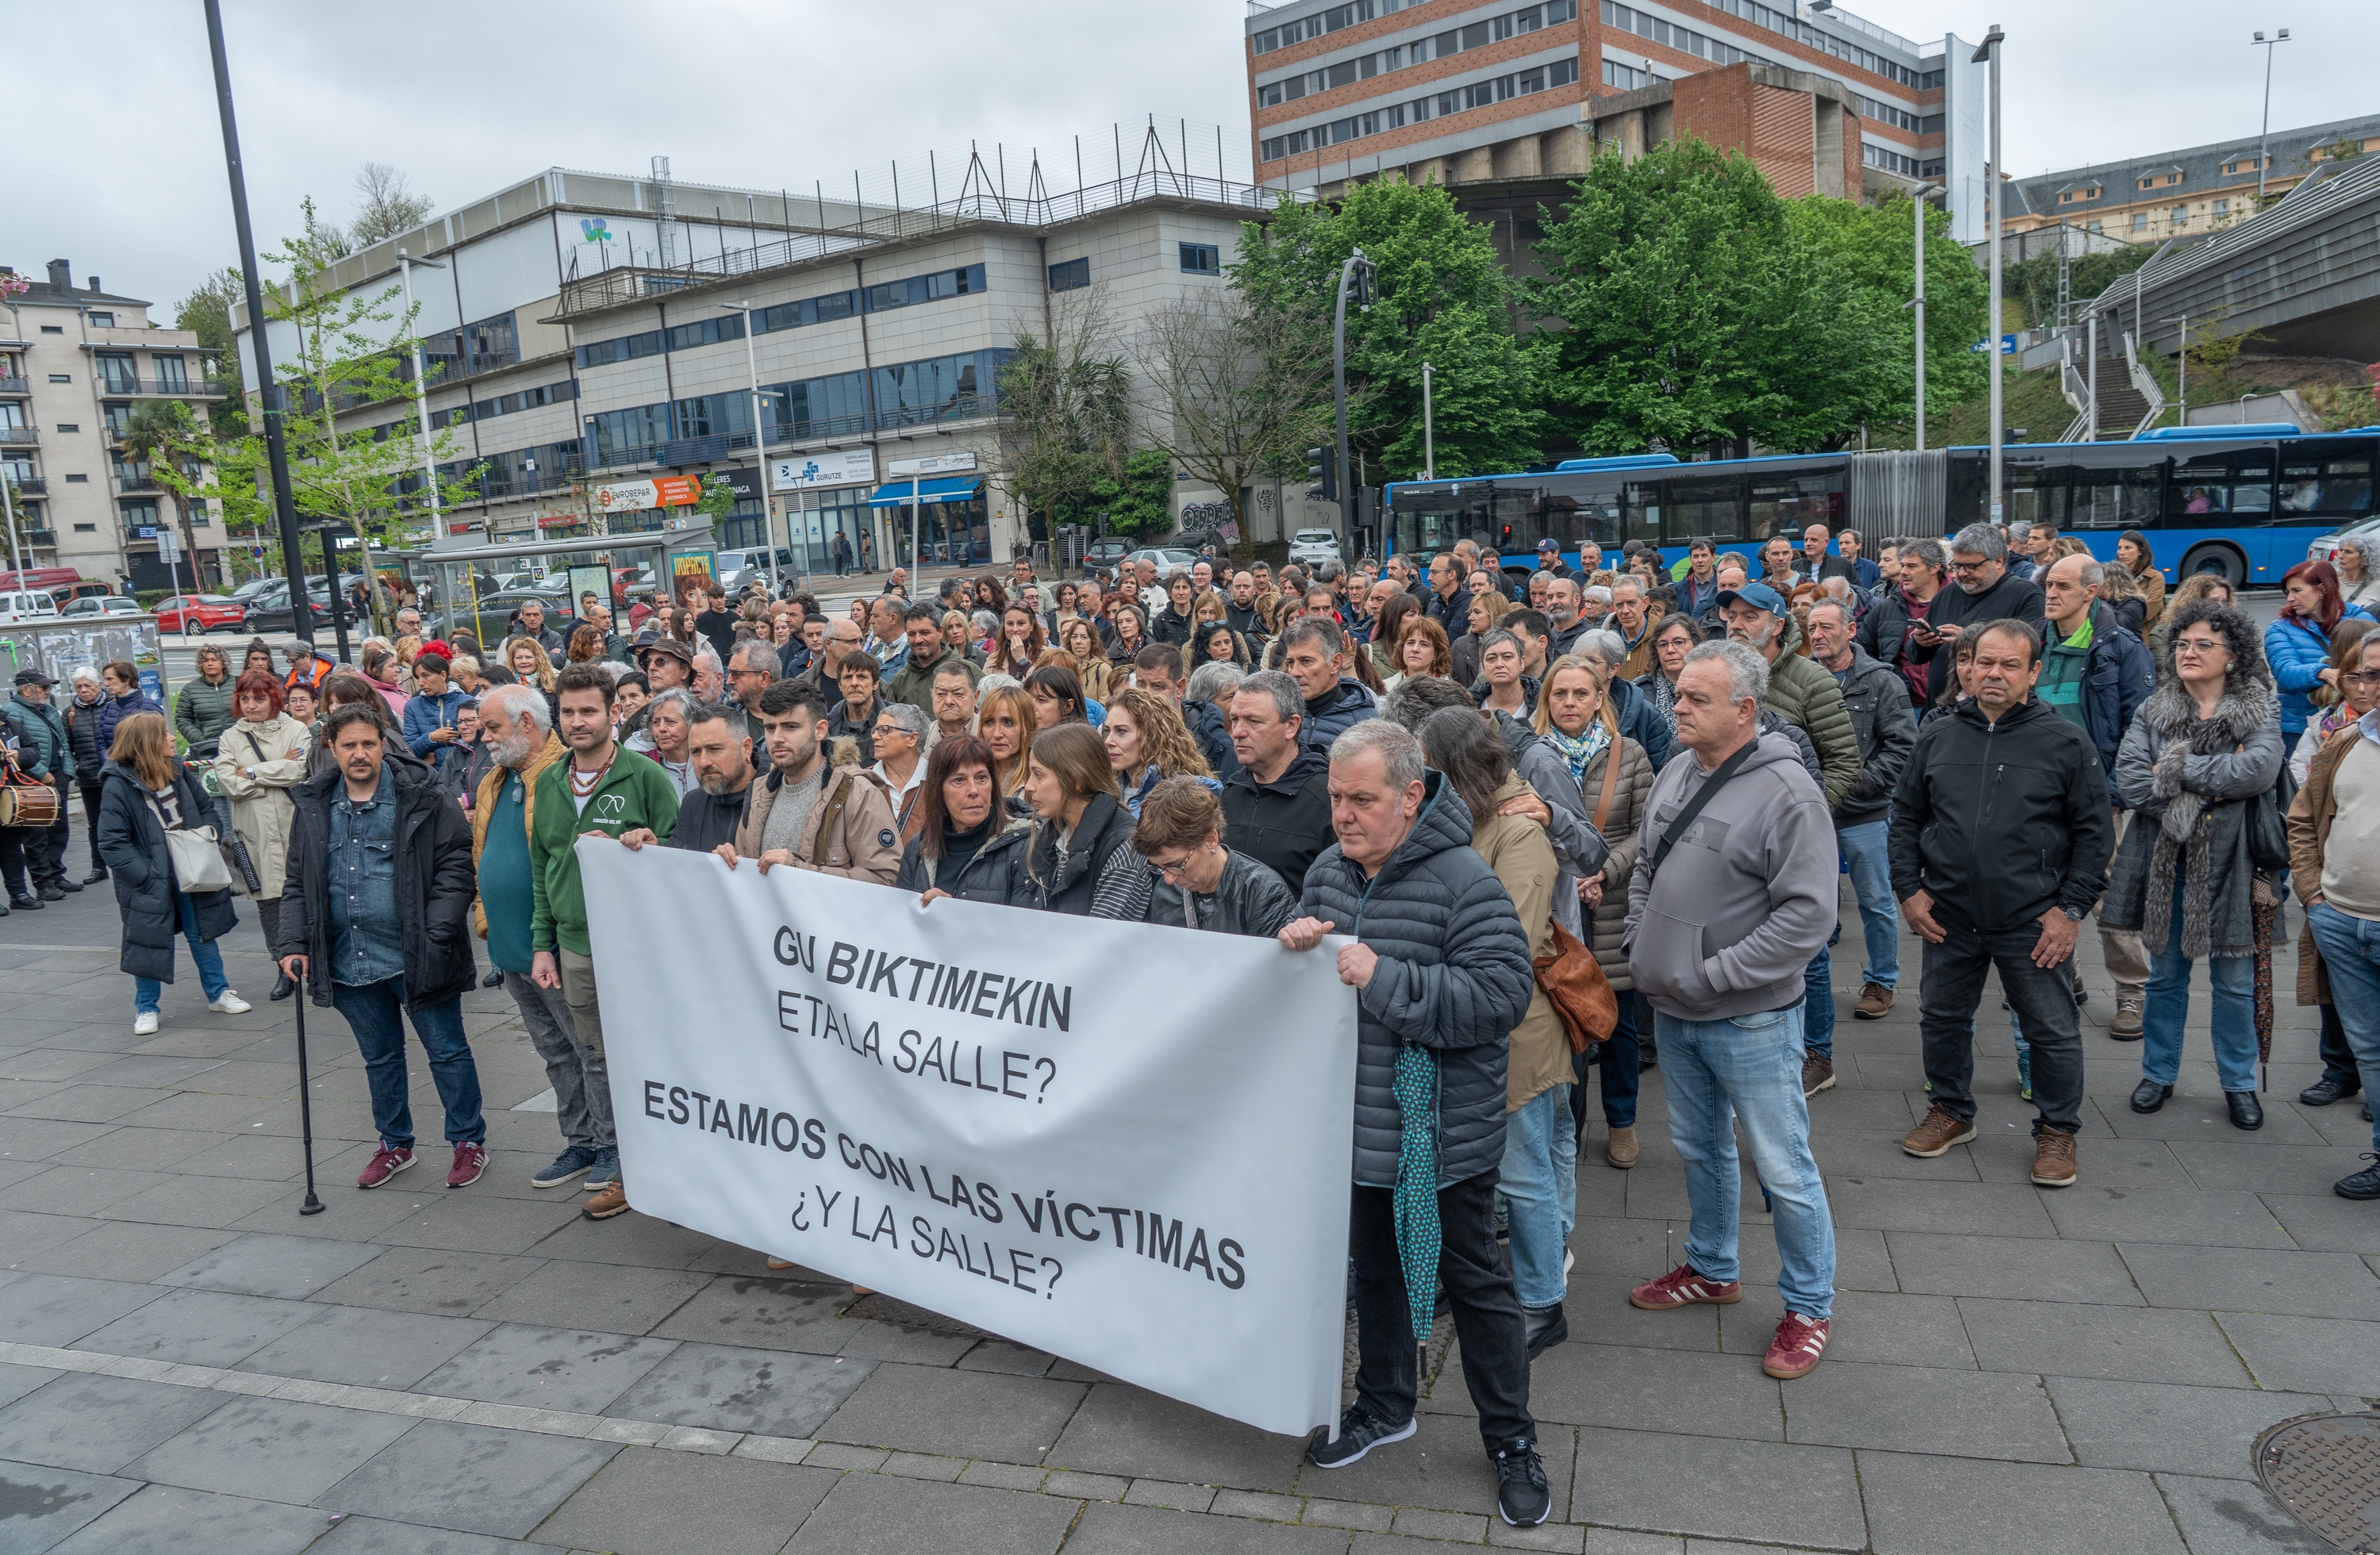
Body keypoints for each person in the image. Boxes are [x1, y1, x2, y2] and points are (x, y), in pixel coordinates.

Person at [1274, 720, 1548, 1526]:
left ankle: (1512, 1440)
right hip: (1353, 1131)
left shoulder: (1465, 879)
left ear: (1412, 797)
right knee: (1377, 1275)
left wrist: (1386, 976)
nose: (1344, 815)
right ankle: (1386, 1404)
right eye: (1336, 798)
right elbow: (1307, 985)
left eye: (1363, 799)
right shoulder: (1328, 872)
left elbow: (1502, 999)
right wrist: (1292, 943)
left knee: (1475, 1285)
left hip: (1438, 1137)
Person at [1623, 641, 1838, 1381]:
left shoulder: (1790, 794)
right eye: (1677, 694)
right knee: (1699, 1147)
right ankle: (1713, 1268)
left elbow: (1809, 916)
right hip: (1673, 1009)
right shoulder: (1679, 768)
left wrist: (1715, 974)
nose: (1675, 707)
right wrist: (1642, 941)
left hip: (1746, 1017)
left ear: (1745, 711)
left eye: (1695, 699)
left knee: (1783, 1165)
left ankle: (1809, 1306)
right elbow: (1648, 864)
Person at [1891, 620, 2111, 1180]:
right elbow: (1908, 817)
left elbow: (2094, 835)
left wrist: (2071, 911)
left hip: (2032, 920)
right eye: (1983, 662)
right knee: (1941, 1019)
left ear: (2033, 672)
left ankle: (2058, 1131)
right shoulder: (1938, 735)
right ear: (1966, 666)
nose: (1993, 673)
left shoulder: (2064, 741)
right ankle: (1951, 1111)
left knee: (2052, 1029)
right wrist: (1910, 892)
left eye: (2009, 665)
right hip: (1949, 915)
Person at [1417, 707, 1575, 1359]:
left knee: (1525, 1168)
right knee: (1541, 1154)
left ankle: (1542, 1301)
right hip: (1494, 1026)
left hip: (1518, 1033)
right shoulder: (1480, 818)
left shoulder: (1518, 833)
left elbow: (1510, 937)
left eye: (1429, 769)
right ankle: (1530, 1269)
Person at [274, 704, 486, 1188]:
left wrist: (435, 935)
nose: (360, 753)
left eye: (369, 743)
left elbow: (457, 863)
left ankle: (468, 1142)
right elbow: (296, 882)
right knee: (381, 1058)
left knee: (447, 1051)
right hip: (349, 959)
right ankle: (395, 1144)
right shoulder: (313, 804)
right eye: (349, 745)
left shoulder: (421, 794)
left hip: (416, 956)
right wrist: (292, 943)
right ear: (331, 748)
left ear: (383, 743)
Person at [2102, 601, 2285, 1131]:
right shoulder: (2154, 709)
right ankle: (2158, 1074)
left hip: (2236, 864)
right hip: (2168, 863)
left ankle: (2239, 1084)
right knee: (2165, 979)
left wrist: (2178, 768)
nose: (2188, 652)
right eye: (2182, 643)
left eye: (2204, 644)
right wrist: (2211, 791)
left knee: (2233, 983)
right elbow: (2134, 781)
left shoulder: (2258, 707)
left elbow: (2259, 770)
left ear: (2232, 656)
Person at [530, 663, 681, 1221]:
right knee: (598, 1054)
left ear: (615, 713)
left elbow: (678, 853)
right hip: (575, 945)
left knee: (650, 1051)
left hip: (638, 949)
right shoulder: (549, 781)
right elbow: (543, 864)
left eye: (589, 710)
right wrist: (542, 943)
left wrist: (640, 843)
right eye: (567, 712)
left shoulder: (644, 776)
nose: (577, 722)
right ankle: (622, 1157)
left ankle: (662, 1157)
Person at [470, 684, 616, 1192]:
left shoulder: (559, 778)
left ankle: (610, 1146)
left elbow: (556, 864)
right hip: (510, 947)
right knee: (554, 1051)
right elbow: (482, 854)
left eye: (492, 727)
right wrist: (487, 917)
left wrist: (546, 939)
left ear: (527, 724)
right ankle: (579, 1141)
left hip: (551, 947)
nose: (483, 736)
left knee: (588, 1048)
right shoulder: (495, 779)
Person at [2025, 554, 2159, 1034]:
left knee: (2111, 900)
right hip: (2038, 796)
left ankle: (2130, 995)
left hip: (2099, 797)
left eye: (2062, 585)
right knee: (2043, 889)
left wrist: (2118, 793)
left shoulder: (2120, 648)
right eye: (2048, 585)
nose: (2051, 594)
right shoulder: (2033, 640)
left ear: (2092, 591)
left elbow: (2141, 728)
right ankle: (2067, 978)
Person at [1537, 656, 1655, 1167]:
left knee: (1618, 1025)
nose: (1569, 703)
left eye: (1580, 694)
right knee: (1560, 1019)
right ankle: (1566, 1124)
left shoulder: (1628, 756)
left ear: (1599, 699)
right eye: (1559, 694)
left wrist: (1604, 870)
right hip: (1551, 902)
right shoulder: (1531, 756)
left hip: (1609, 904)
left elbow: (1645, 829)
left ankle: (1622, 1122)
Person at [2289, 630, 2380, 1197]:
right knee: (2368, 1047)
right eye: (2364, 674)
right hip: (2341, 921)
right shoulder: (2343, 742)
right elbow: (2302, 821)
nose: (2370, 686)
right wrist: (2314, 897)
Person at [95, 712, 251, 1034]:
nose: (172, 738)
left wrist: (207, 837)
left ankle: (219, 993)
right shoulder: (117, 784)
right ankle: (146, 1009)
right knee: (148, 941)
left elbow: (206, 808)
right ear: (146, 743)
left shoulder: (177, 770)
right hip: (151, 879)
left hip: (191, 867)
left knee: (202, 932)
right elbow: (111, 843)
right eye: (164, 733)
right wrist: (147, 876)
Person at [1802, 600, 1917, 1025]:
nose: (1818, 634)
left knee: (1875, 901)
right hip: (1812, 814)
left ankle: (1881, 981)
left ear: (1851, 630)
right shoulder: (1801, 679)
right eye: (1812, 627)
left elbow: (1905, 746)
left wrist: (1859, 782)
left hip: (1863, 812)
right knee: (1813, 903)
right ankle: (1813, 984)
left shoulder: (1881, 681)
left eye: (1827, 626)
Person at [720, 680, 901, 885]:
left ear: (820, 730)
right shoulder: (758, 792)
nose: (778, 738)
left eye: (790, 727)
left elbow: (885, 880)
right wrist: (730, 862)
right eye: (770, 728)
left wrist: (797, 871)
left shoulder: (858, 794)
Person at [1088, 774, 1299, 935]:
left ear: (1210, 840)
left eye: (1177, 865)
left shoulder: (1262, 892)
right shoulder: (1164, 891)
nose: (1169, 879)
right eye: (1159, 868)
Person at [209, 670, 312, 1000]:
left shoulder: (296, 729)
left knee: (308, 897)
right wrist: (276, 769)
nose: (251, 705)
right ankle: (281, 967)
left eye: (259, 698)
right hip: (253, 834)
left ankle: (318, 963)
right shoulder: (231, 737)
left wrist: (251, 771)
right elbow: (228, 784)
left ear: (274, 699)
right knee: (269, 904)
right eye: (245, 698)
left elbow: (299, 771)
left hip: (295, 828)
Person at [1222, 670, 1335, 898]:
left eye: (1254, 721)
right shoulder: (1230, 795)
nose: (1237, 732)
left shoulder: (1329, 798)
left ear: (1291, 726)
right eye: (1235, 719)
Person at [1905, 524, 2046, 708]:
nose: (1962, 573)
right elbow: (1917, 657)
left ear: (1998, 561)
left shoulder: (2026, 595)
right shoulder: (1946, 594)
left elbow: (2027, 655)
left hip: (1991, 714)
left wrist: (1972, 641)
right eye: (1957, 566)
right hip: (1940, 712)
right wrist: (1920, 642)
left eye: (1971, 566)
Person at [1011, 723, 1139, 915]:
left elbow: (1104, 938)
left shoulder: (1123, 847)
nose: (1028, 787)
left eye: (1038, 775)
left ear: (1076, 780)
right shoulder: (1048, 837)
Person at [2267, 560, 2374, 750]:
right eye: (2288, 592)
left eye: (2297, 591)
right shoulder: (2280, 629)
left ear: (2322, 590)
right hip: (2300, 726)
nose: (2290, 598)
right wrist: (2322, 673)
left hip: (2361, 721)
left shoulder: (2362, 620)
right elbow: (2284, 672)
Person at [2, 667, 75, 906]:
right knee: (34, 836)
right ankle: (42, 883)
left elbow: (44, 745)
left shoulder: (14, 720)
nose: (48, 691)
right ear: (26, 689)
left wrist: (66, 771)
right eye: (44, 687)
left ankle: (39, 884)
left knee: (54, 831)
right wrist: (41, 773)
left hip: (48, 779)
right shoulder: (14, 712)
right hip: (30, 783)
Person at [1104, 687, 1219, 817]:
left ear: (1151, 736)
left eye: (1121, 731)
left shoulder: (1182, 797)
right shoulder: (1106, 790)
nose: (1109, 741)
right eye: (1108, 731)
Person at [1276, 618, 1376, 753]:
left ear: (1335, 663)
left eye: (1306, 661)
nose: (1294, 672)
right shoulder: (1277, 714)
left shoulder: (1366, 724)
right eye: (1290, 662)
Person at [62, 668, 111, 885]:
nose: (83, 691)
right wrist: (76, 767)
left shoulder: (112, 706)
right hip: (89, 778)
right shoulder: (70, 713)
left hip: (114, 775)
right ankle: (98, 867)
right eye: (79, 687)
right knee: (95, 824)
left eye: (87, 686)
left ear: (99, 685)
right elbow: (66, 746)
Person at [400, 644, 470, 781]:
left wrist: (437, 755)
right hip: (428, 778)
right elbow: (410, 751)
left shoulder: (467, 702)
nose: (421, 682)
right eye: (418, 677)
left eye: (426, 676)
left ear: (443, 675)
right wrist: (431, 737)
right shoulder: (413, 706)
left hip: (463, 774)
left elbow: (475, 746)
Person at [870, 701, 931, 844]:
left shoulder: (938, 781)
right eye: (875, 729)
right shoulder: (862, 781)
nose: (875, 736)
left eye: (885, 730)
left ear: (912, 738)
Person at [1633, 614, 1698, 731]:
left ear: (1696, 644)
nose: (1670, 650)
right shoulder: (1640, 693)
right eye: (1663, 645)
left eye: (1678, 642)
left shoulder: (1710, 688)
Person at [173, 644, 237, 760]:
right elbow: (182, 719)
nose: (210, 663)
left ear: (223, 663)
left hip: (239, 744)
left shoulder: (239, 684)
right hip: (208, 748)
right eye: (205, 660)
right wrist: (201, 740)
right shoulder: (190, 689)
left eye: (214, 660)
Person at [2114, 530, 2167, 627]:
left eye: (2128, 548)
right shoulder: (2113, 577)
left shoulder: (2155, 577)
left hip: (2143, 637)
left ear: (2140, 551)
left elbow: (2148, 611)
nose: (2122, 553)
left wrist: (2119, 619)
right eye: (2119, 548)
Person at [2332, 534, 2380, 613]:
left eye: (2348, 552)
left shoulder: (2377, 586)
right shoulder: (2330, 581)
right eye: (2341, 550)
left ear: (2364, 558)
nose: (2340, 556)